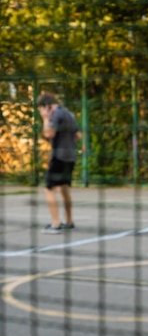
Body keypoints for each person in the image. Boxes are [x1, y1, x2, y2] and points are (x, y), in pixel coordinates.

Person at [37, 92, 82, 234]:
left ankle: (55, 224)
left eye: (42, 110)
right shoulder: (69, 114)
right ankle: (69, 221)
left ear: (46, 107)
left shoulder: (55, 114)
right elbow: (77, 135)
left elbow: (49, 134)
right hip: (70, 156)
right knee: (63, 188)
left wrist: (45, 119)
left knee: (49, 189)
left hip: (59, 156)